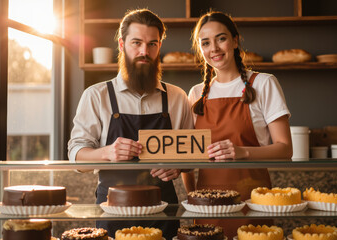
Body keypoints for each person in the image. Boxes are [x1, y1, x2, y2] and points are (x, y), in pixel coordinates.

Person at [68, 9, 194, 239]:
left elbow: (191, 156)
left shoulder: (177, 97)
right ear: (121, 43)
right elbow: (76, 156)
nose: (144, 52)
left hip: (164, 212)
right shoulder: (96, 96)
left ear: (159, 46)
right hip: (112, 211)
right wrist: (107, 152)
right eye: (136, 42)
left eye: (152, 44)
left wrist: (178, 166)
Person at [181, 11, 293, 239]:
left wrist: (242, 152)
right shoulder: (195, 94)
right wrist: (194, 198)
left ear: (234, 41)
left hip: (253, 203)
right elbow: (187, 155)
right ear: (200, 49)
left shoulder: (263, 84)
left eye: (221, 38)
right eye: (205, 42)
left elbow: (285, 149)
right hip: (206, 209)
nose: (214, 48)